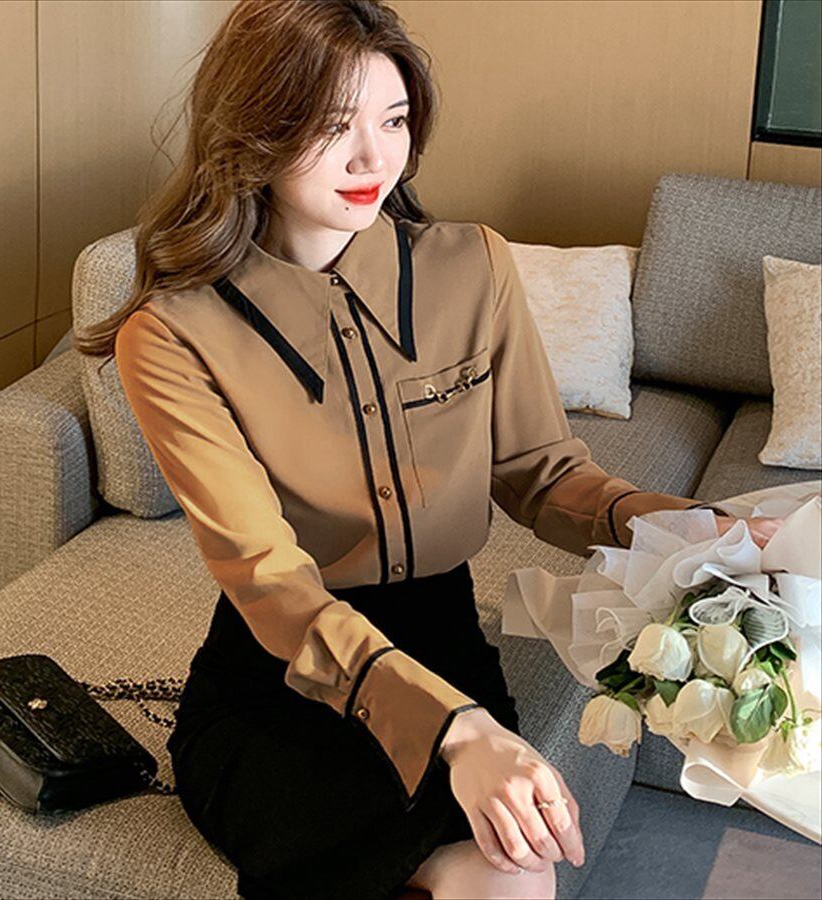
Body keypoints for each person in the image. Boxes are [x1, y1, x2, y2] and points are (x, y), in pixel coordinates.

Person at [76, 2, 784, 898]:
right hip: (279, 677)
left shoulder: (472, 266)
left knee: (515, 864)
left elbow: (543, 474)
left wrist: (695, 530)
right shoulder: (173, 333)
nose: (372, 158)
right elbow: (268, 579)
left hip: (446, 641)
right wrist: (460, 733)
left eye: (394, 120)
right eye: (333, 125)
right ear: (255, 128)